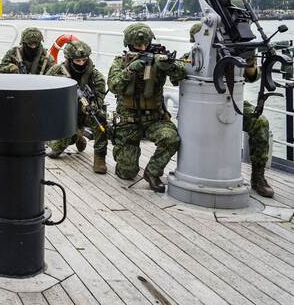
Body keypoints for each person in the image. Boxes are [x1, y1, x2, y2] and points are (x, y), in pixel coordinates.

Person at [187, 23, 274, 197]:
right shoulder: (194, 57)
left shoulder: (235, 53)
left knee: (260, 122)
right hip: (202, 102)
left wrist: (249, 62)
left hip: (231, 99)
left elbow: (251, 77)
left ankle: (258, 178)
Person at [107, 23, 186, 192]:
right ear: (129, 45)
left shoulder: (160, 57)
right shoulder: (120, 62)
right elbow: (113, 86)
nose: (142, 48)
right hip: (128, 121)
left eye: (145, 44)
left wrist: (170, 66)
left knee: (171, 139)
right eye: (137, 45)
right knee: (127, 172)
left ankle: (152, 172)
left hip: (154, 118)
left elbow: (180, 76)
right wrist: (130, 70)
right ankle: (123, 154)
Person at [45, 40, 110, 173]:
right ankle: (77, 136)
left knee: (101, 119)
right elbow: (44, 90)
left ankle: (99, 157)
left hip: (86, 113)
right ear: (69, 59)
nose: (81, 63)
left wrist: (92, 106)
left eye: (84, 60)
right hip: (64, 113)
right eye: (77, 61)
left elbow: (99, 97)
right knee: (55, 151)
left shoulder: (95, 76)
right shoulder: (56, 71)